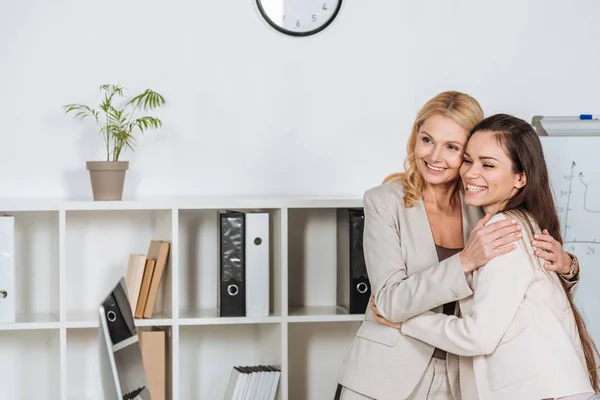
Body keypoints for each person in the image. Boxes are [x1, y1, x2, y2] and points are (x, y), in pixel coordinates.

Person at [335, 91, 580, 400]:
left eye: (452, 148)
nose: (435, 157)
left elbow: (524, 296)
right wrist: (464, 261)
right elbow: (389, 301)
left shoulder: (486, 203)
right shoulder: (384, 202)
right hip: (384, 376)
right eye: (427, 140)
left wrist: (567, 267)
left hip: (462, 378)